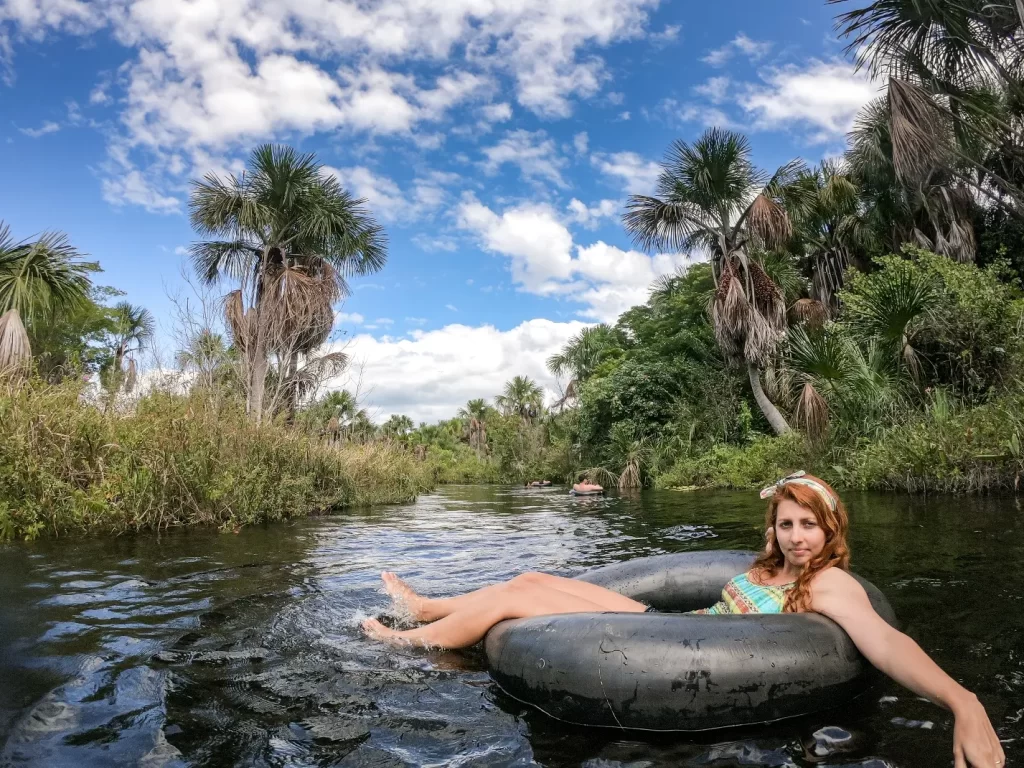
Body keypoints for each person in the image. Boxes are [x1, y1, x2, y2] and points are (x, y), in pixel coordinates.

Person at [363, 472, 1004, 768]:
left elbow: (888, 643)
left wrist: (962, 701)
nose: (796, 536)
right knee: (531, 582)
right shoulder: (769, 567)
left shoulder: (829, 584)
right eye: (786, 524)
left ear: (830, 529)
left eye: (809, 524)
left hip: (686, 649)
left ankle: (409, 641)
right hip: (671, 623)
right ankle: (430, 608)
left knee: (520, 597)